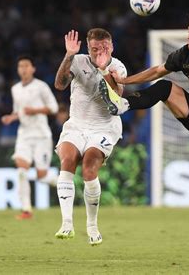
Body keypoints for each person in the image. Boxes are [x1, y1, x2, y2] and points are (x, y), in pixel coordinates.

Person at [99, 11, 189, 256]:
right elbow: (157, 71)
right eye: (188, 31)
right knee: (166, 87)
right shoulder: (184, 55)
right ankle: (123, 104)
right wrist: (125, 80)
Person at [53, 28, 127, 245]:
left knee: (88, 168)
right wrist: (68, 55)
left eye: (104, 48)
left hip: (104, 128)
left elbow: (116, 99)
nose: (99, 52)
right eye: (94, 49)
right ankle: (67, 224)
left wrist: (104, 70)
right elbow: (59, 84)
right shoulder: (77, 61)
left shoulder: (117, 66)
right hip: (76, 125)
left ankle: (92, 226)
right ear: (88, 48)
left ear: (111, 46)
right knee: (67, 161)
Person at [1, 56, 59, 220]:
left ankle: (65, 181)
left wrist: (35, 111)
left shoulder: (41, 86)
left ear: (33, 69)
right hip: (24, 135)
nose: (23, 69)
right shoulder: (15, 89)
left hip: (41, 136)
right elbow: (18, 111)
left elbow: (54, 108)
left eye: (26, 66)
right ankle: (26, 210)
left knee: (42, 177)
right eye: (20, 66)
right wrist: (11, 118)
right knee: (21, 169)